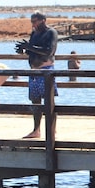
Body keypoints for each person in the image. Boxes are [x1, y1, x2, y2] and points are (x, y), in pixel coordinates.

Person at [15, 11, 59, 139]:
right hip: (34, 71)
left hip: (46, 70)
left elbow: (48, 51)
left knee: (49, 101)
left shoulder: (51, 33)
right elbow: (32, 50)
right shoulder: (34, 33)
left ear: (43, 20)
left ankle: (52, 129)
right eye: (32, 22)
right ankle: (36, 130)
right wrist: (24, 50)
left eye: (35, 21)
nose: (33, 24)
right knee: (35, 101)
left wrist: (30, 47)